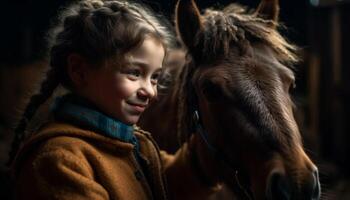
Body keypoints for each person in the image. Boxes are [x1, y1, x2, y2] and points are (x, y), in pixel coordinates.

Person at [7, 0, 221, 199]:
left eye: (154, 77)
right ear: (79, 71)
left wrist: (211, 145)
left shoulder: (137, 145)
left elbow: (170, 181)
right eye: (135, 73)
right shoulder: (60, 160)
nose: (151, 92)